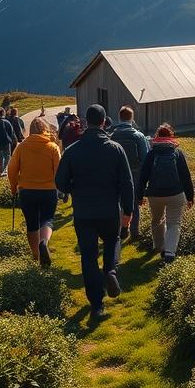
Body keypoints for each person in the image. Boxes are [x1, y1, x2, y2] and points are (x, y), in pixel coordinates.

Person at [55, 104, 133, 319]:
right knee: (113, 241)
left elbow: (60, 182)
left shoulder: (72, 151)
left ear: (86, 122)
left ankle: (97, 305)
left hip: (83, 212)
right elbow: (127, 183)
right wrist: (128, 210)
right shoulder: (115, 149)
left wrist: (75, 190)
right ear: (104, 122)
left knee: (88, 257)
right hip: (109, 210)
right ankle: (110, 271)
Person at [137, 123, 194, 264]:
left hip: (154, 195)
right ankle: (169, 253)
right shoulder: (177, 153)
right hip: (176, 194)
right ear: (171, 137)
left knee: (156, 220)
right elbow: (185, 176)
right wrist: (190, 197)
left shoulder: (151, 154)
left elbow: (143, 177)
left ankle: (158, 247)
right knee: (174, 223)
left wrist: (139, 196)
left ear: (156, 138)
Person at [8, 117, 61, 265]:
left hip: (27, 190)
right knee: (47, 219)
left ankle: (36, 255)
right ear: (46, 130)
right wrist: (60, 187)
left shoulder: (21, 146)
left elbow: (12, 170)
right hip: (48, 190)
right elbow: (59, 170)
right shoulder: (52, 147)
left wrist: (13, 188)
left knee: (31, 224)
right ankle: (44, 242)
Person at [109, 105, 150, 245]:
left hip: (116, 173)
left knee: (118, 202)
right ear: (132, 118)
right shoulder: (138, 136)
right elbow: (145, 158)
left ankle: (120, 229)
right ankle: (134, 232)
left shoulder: (112, 135)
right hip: (135, 172)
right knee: (134, 203)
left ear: (119, 117)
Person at [0, 109, 17, 175]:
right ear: (3, 113)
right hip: (6, 142)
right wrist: (11, 140)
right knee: (7, 155)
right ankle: (3, 170)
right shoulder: (6, 122)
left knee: (0, 157)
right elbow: (11, 132)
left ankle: (0, 170)